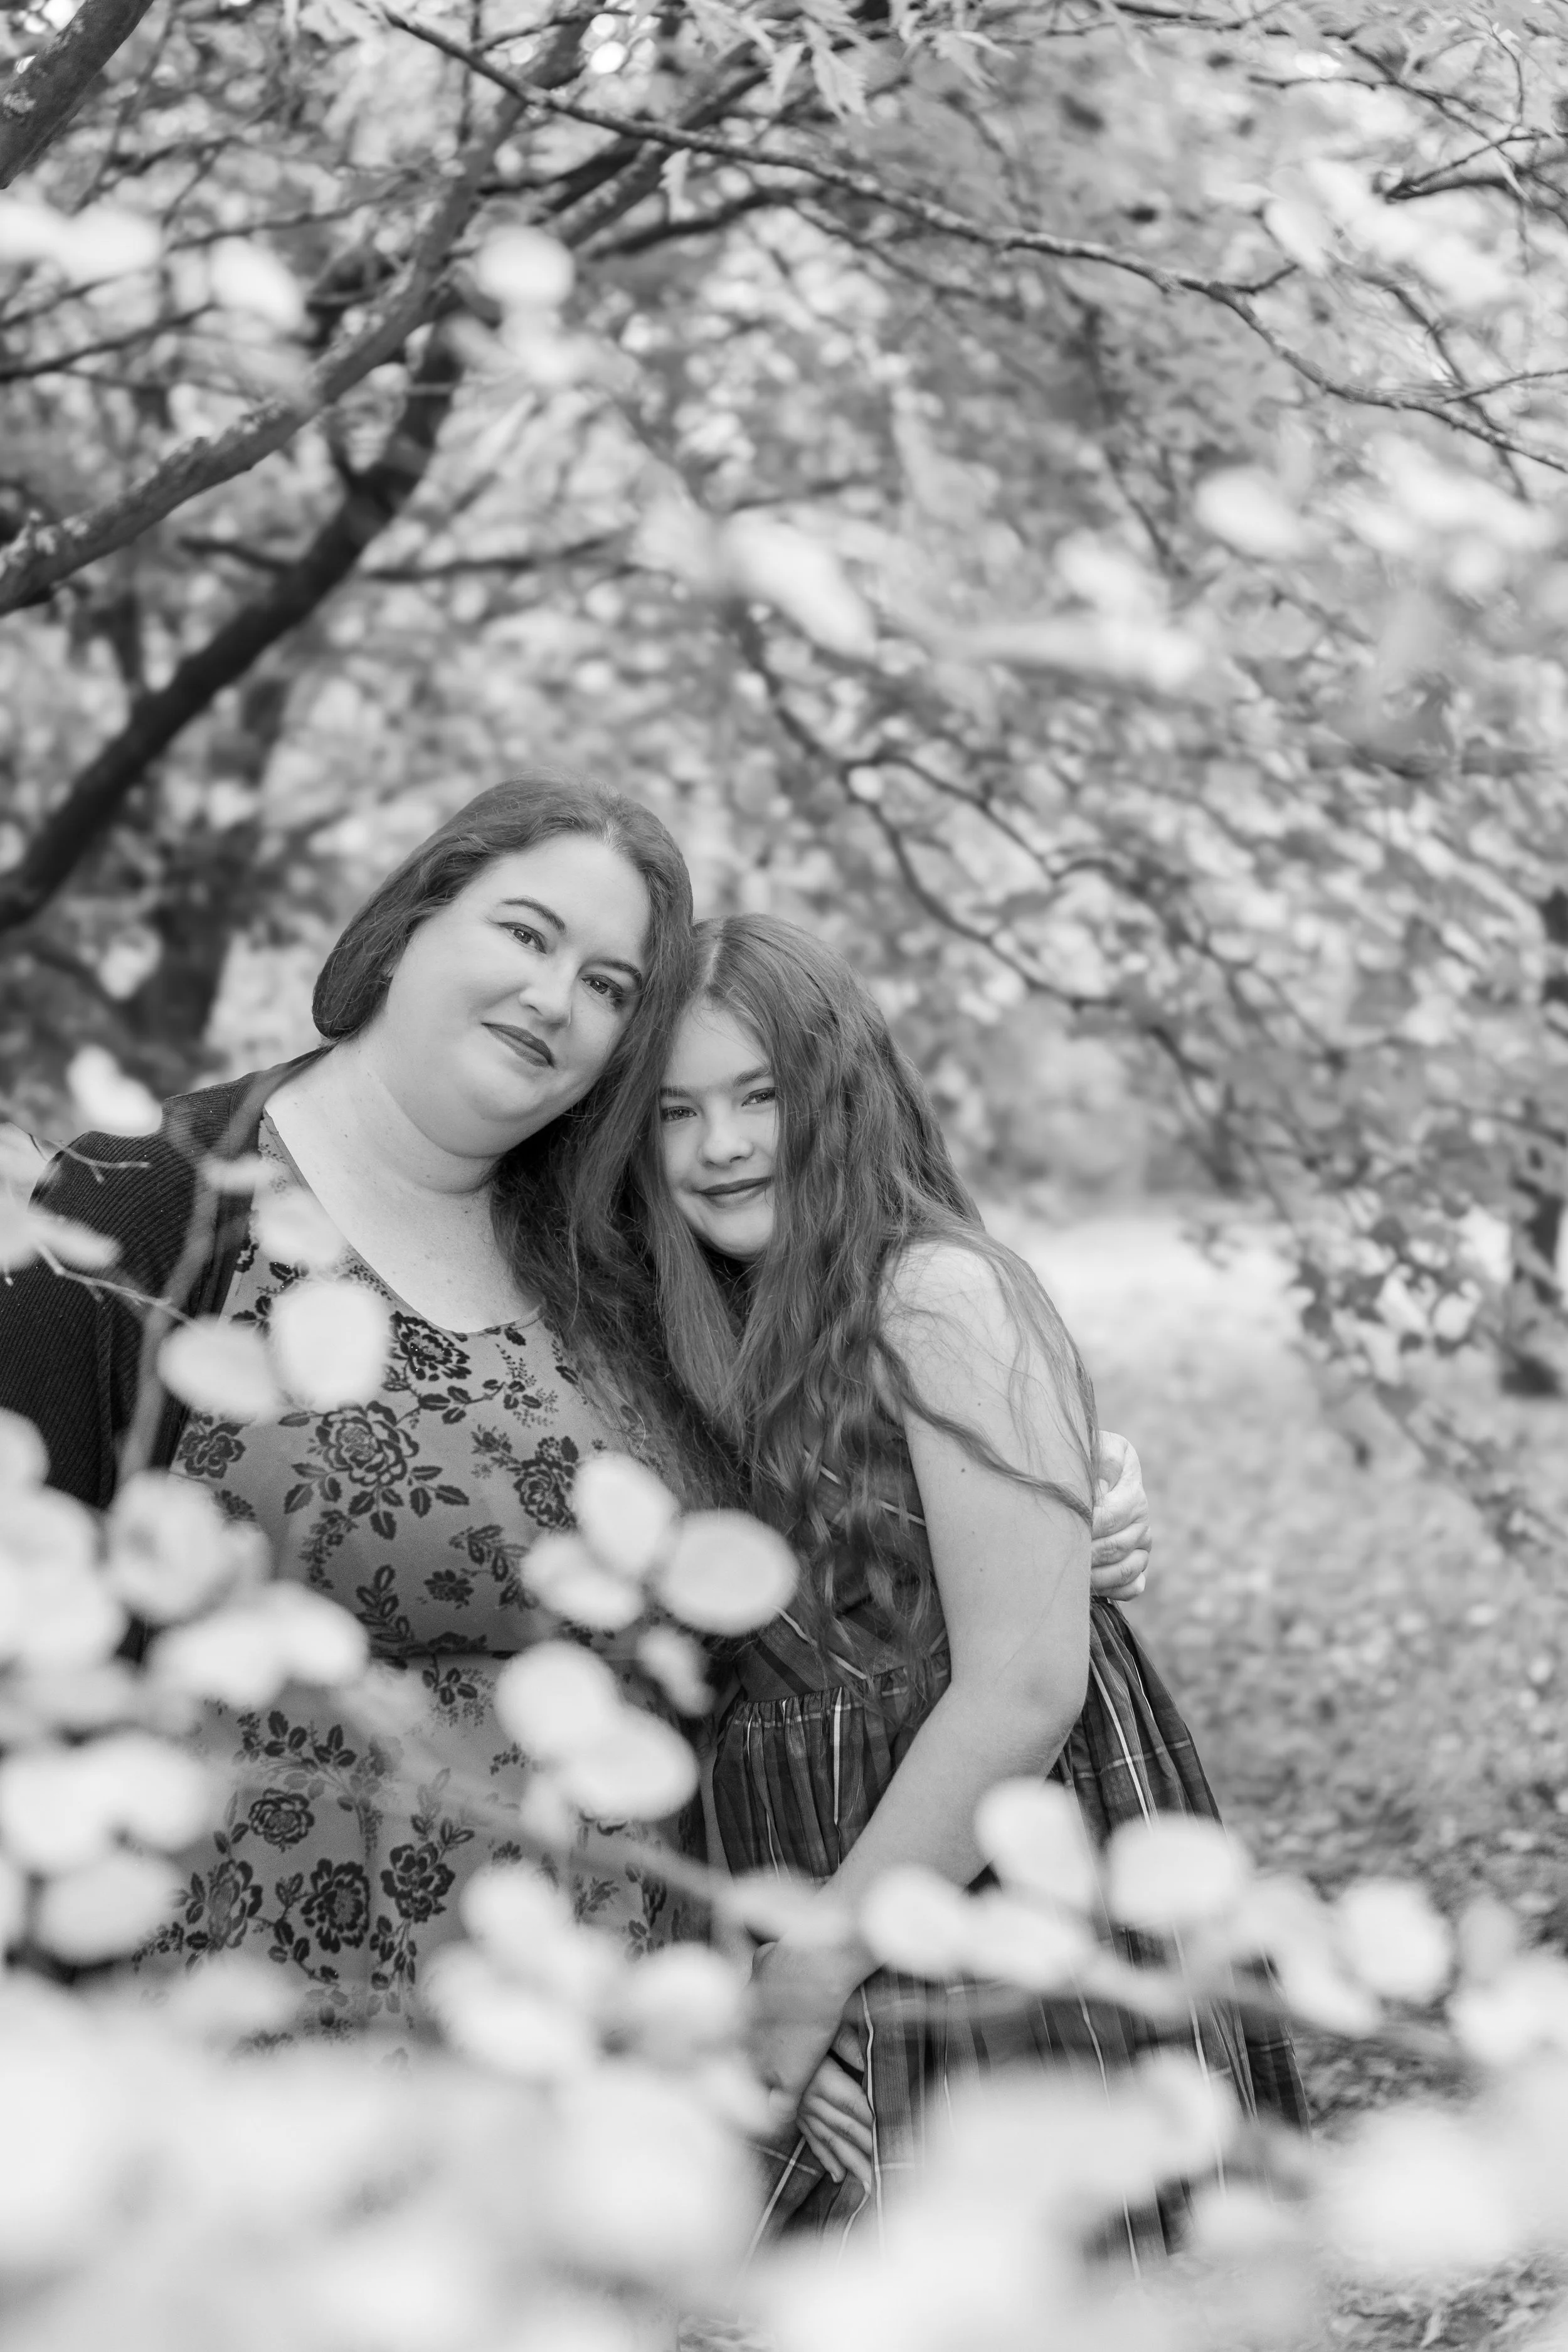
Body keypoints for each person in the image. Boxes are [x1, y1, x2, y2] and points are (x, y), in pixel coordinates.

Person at [0, 778, 1151, 2034]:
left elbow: (836, 1496)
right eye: (526, 933)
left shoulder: (612, 1252)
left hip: (607, 2033)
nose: (556, 998)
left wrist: (1057, 1518)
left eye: (610, 987)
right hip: (243, 2036)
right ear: (407, 928)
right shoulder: (156, 1202)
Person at [638, 912, 1306, 2240]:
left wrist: (819, 1964)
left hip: (983, 1856)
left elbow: (1022, 1684)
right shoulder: (694, 1326)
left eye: (758, 1097)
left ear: (839, 1098)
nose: (717, 1147)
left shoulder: (930, 1294)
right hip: (814, 1858)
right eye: (673, 1112)